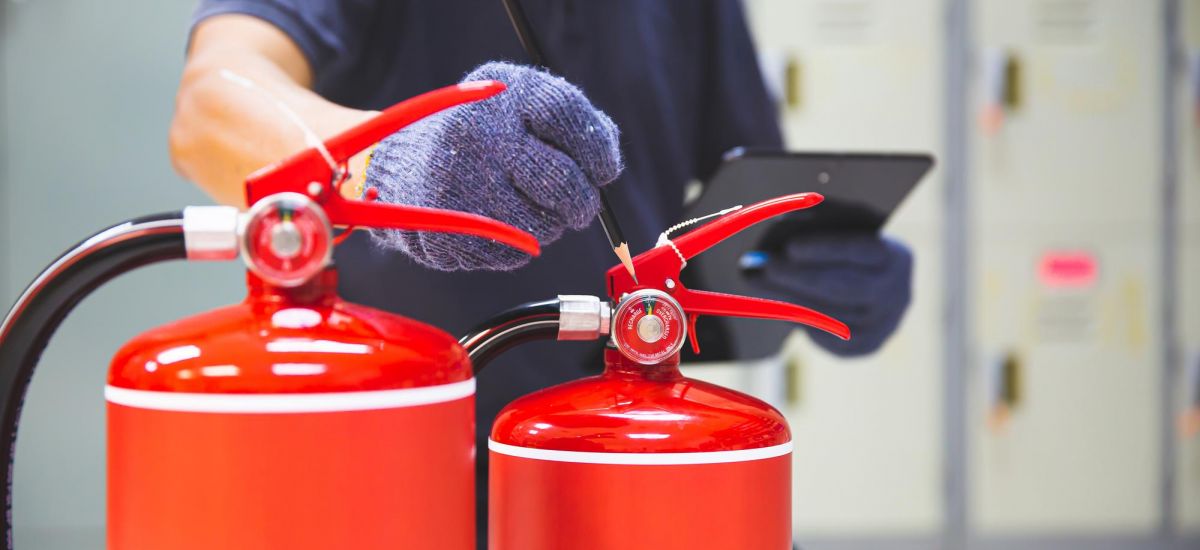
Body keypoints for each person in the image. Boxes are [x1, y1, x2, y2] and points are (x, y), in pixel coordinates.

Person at [169, 0, 913, 544]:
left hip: (616, 458)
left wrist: (813, 270)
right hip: (381, 460)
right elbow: (210, 106)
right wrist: (385, 163)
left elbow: (744, 198)